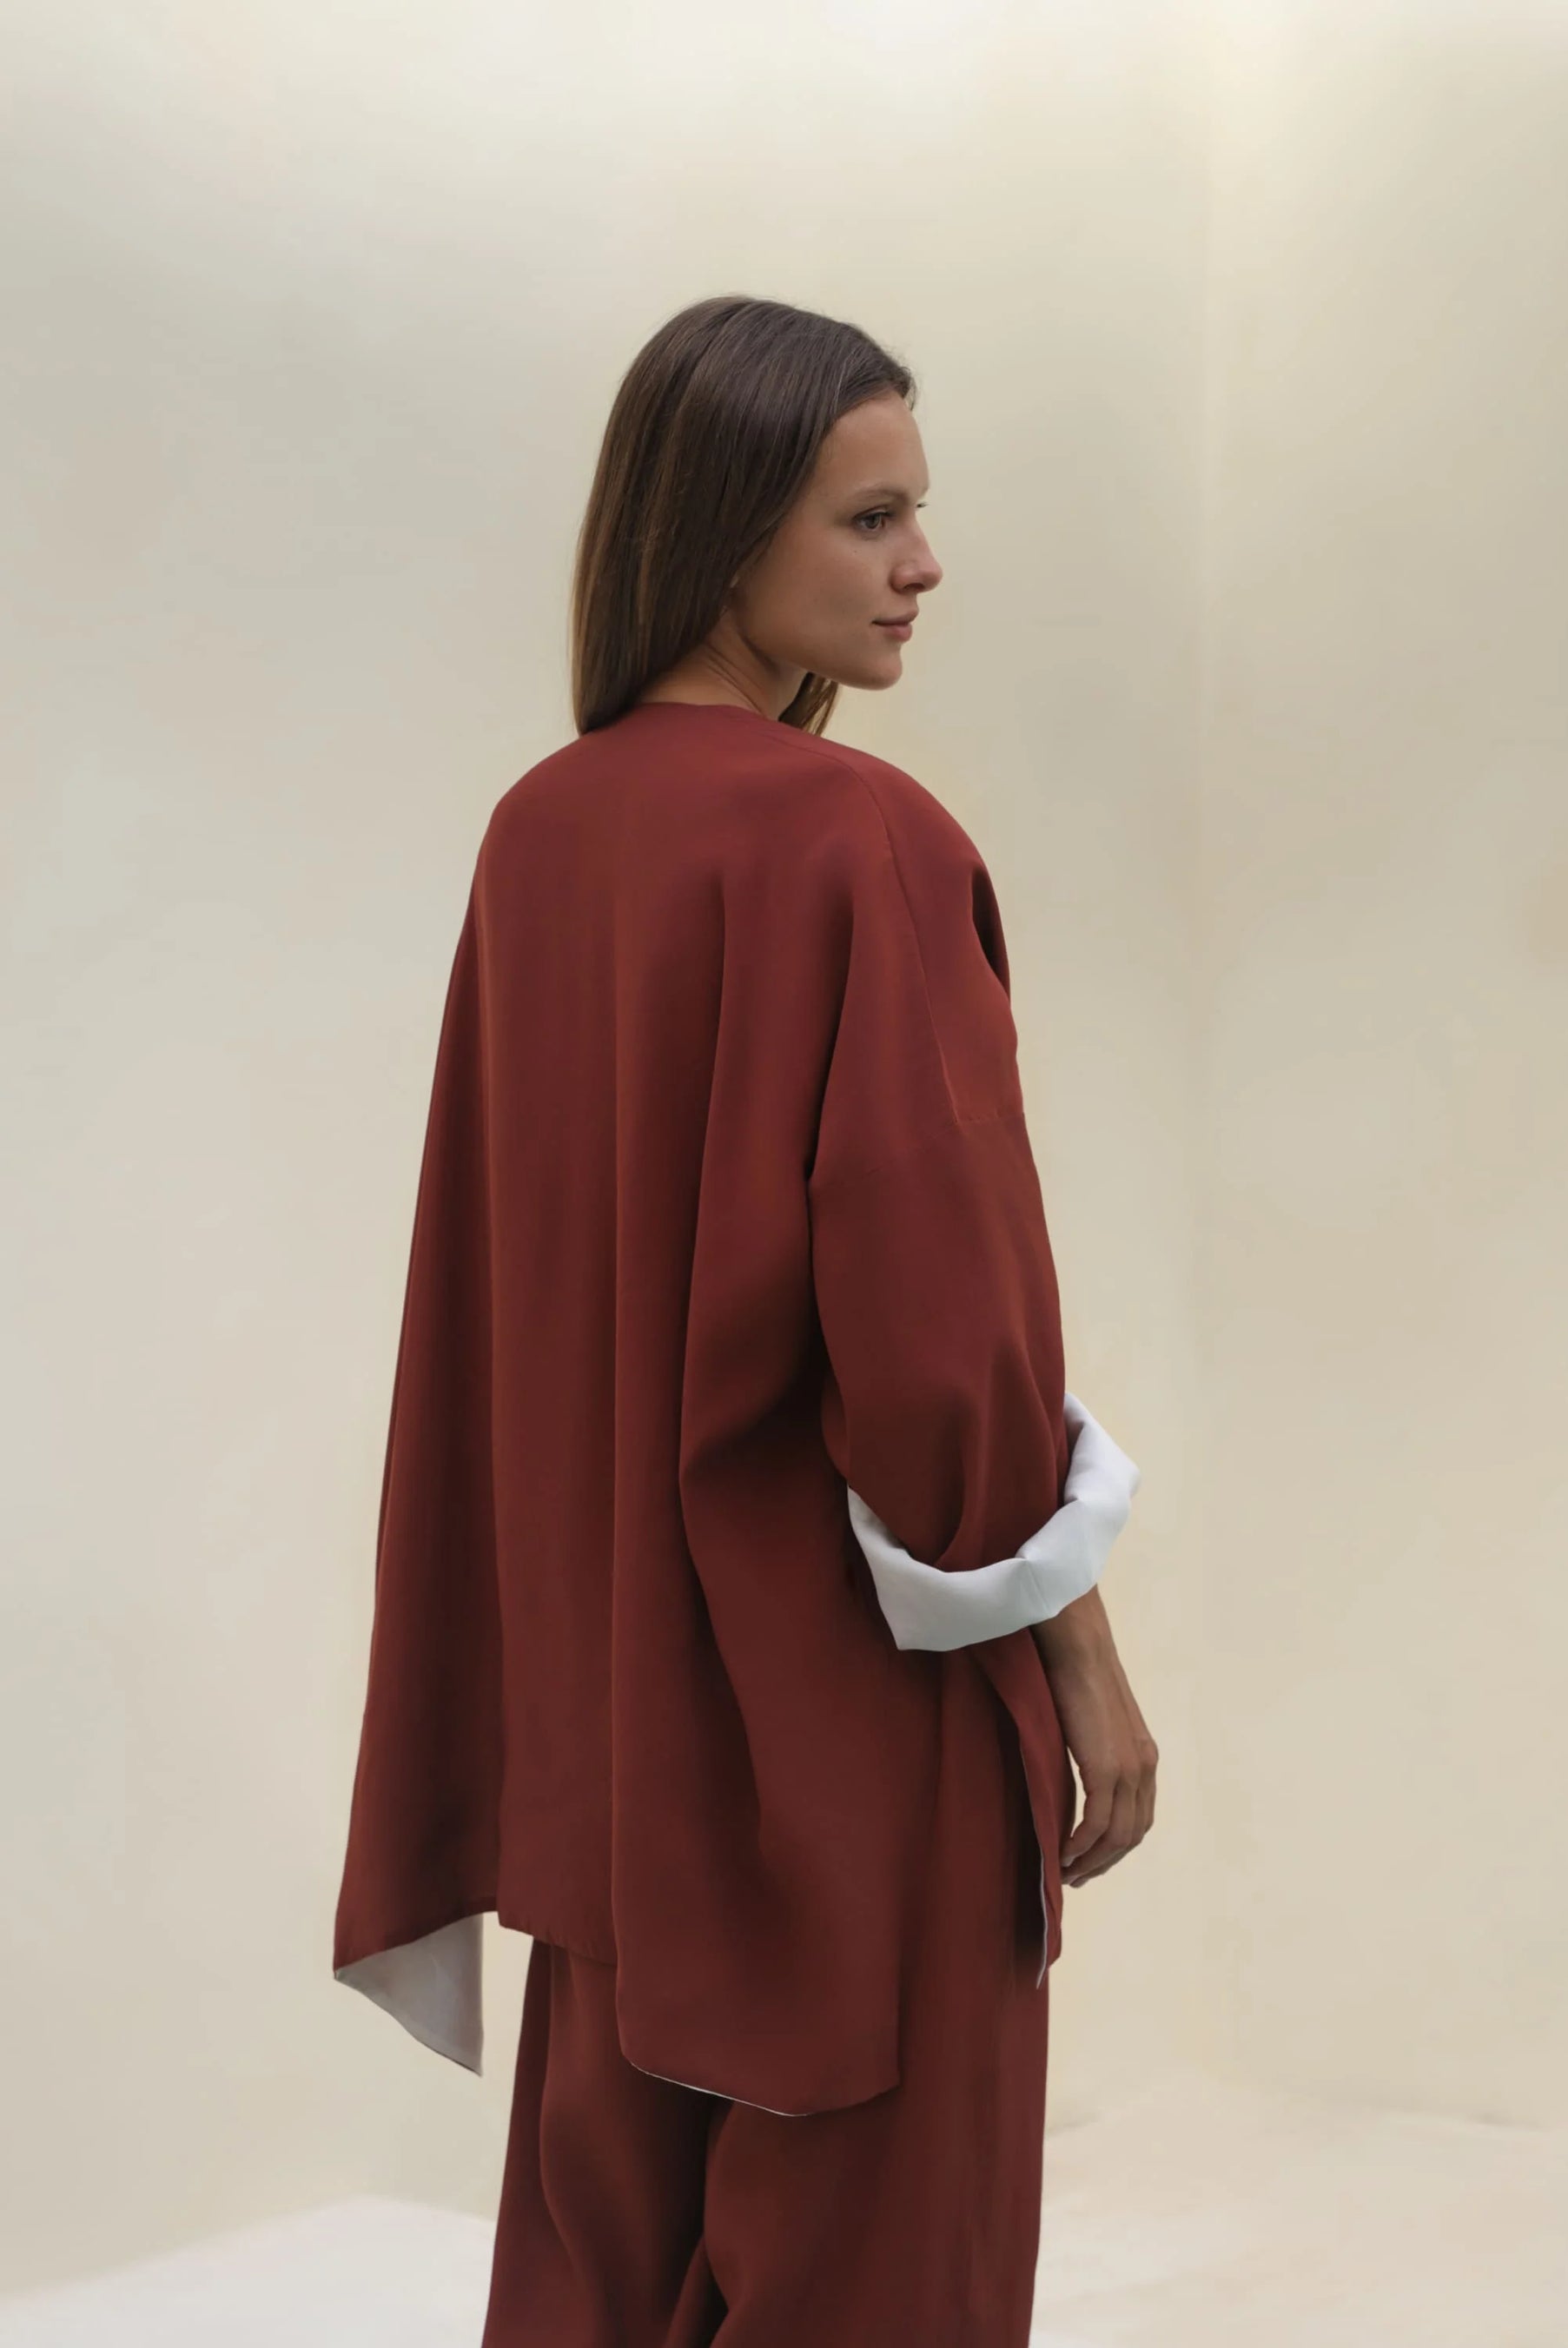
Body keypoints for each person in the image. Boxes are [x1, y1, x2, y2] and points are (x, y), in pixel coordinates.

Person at [331, 293, 1158, 2347]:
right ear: (718, 532)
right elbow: (942, 1348)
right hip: (849, 1731)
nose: (922, 564)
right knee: (884, 2277)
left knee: (603, 2282)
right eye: (869, 519)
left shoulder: (542, 833)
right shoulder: (864, 840)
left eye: (918, 514)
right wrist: (1080, 1657)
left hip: (623, 1736)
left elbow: (503, 1292)